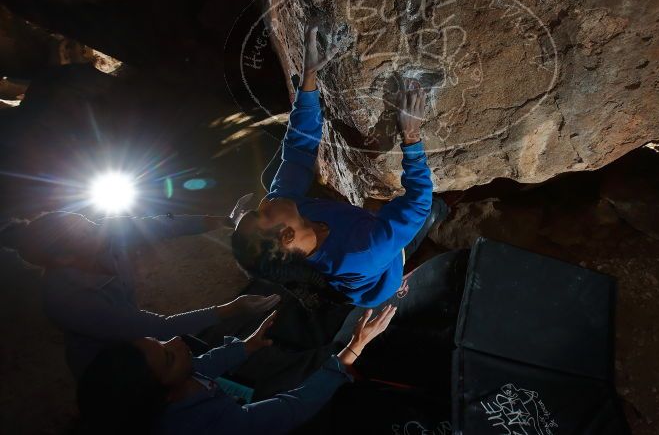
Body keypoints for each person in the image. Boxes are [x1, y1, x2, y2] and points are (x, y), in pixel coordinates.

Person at [231, 23, 448, 308]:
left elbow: (297, 149)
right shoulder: (362, 252)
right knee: (432, 210)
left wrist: (309, 77)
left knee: (273, 175)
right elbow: (418, 202)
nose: (265, 201)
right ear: (287, 235)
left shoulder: (283, 204)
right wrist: (411, 136)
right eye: (263, 213)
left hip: (358, 233)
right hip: (382, 274)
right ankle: (430, 234)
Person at [0, 211, 277, 378]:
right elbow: (158, 325)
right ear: (64, 258)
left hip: (138, 337)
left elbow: (157, 225)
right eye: (84, 231)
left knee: (195, 360)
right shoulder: (68, 301)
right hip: (109, 365)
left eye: (86, 219)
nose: (97, 226)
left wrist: (216, 220)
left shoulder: (100, 236)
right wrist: (232, 309)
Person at [78, 305, 397, 434]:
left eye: (160, 341)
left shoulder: (172, 389)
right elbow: (290, 409)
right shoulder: (210, 425)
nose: (176, 340)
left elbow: (203, 365)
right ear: (164, 398)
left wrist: (246, 346)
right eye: (168, 356)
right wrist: (352, 350)